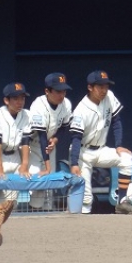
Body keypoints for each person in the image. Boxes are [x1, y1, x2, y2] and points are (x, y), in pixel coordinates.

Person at [68, 70, 132, 215]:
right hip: (83, 153)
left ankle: (122, 202)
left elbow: (116, 121)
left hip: (101, 150)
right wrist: (74, 163)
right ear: (90, 87)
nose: (104, 90)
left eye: (106, 86)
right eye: (100, 86)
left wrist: (118, 145)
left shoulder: (109, 96)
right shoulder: (81, 110)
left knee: (126, 158)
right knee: (86, 200)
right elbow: (76, 138)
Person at [29, 72, 73, 210]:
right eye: (58, 91)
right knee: (38, 181)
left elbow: (64, 126)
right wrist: (47, 168)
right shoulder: (38, 105)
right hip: (33, 146)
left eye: (64, 91)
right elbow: (41, 136)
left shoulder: (66, 104)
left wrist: (56, 139)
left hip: (49, 145)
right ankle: (34, 212)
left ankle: (48, 214)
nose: (62, 94)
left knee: (50, 185)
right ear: (47, 91)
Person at [0, 83, 33, 205]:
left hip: (15, 156)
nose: (20, 102)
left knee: (11, 200)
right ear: (6, 100)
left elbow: (26, 141)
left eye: (22, 98)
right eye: (16, 98)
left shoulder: (27, 115)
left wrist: (25, 164)